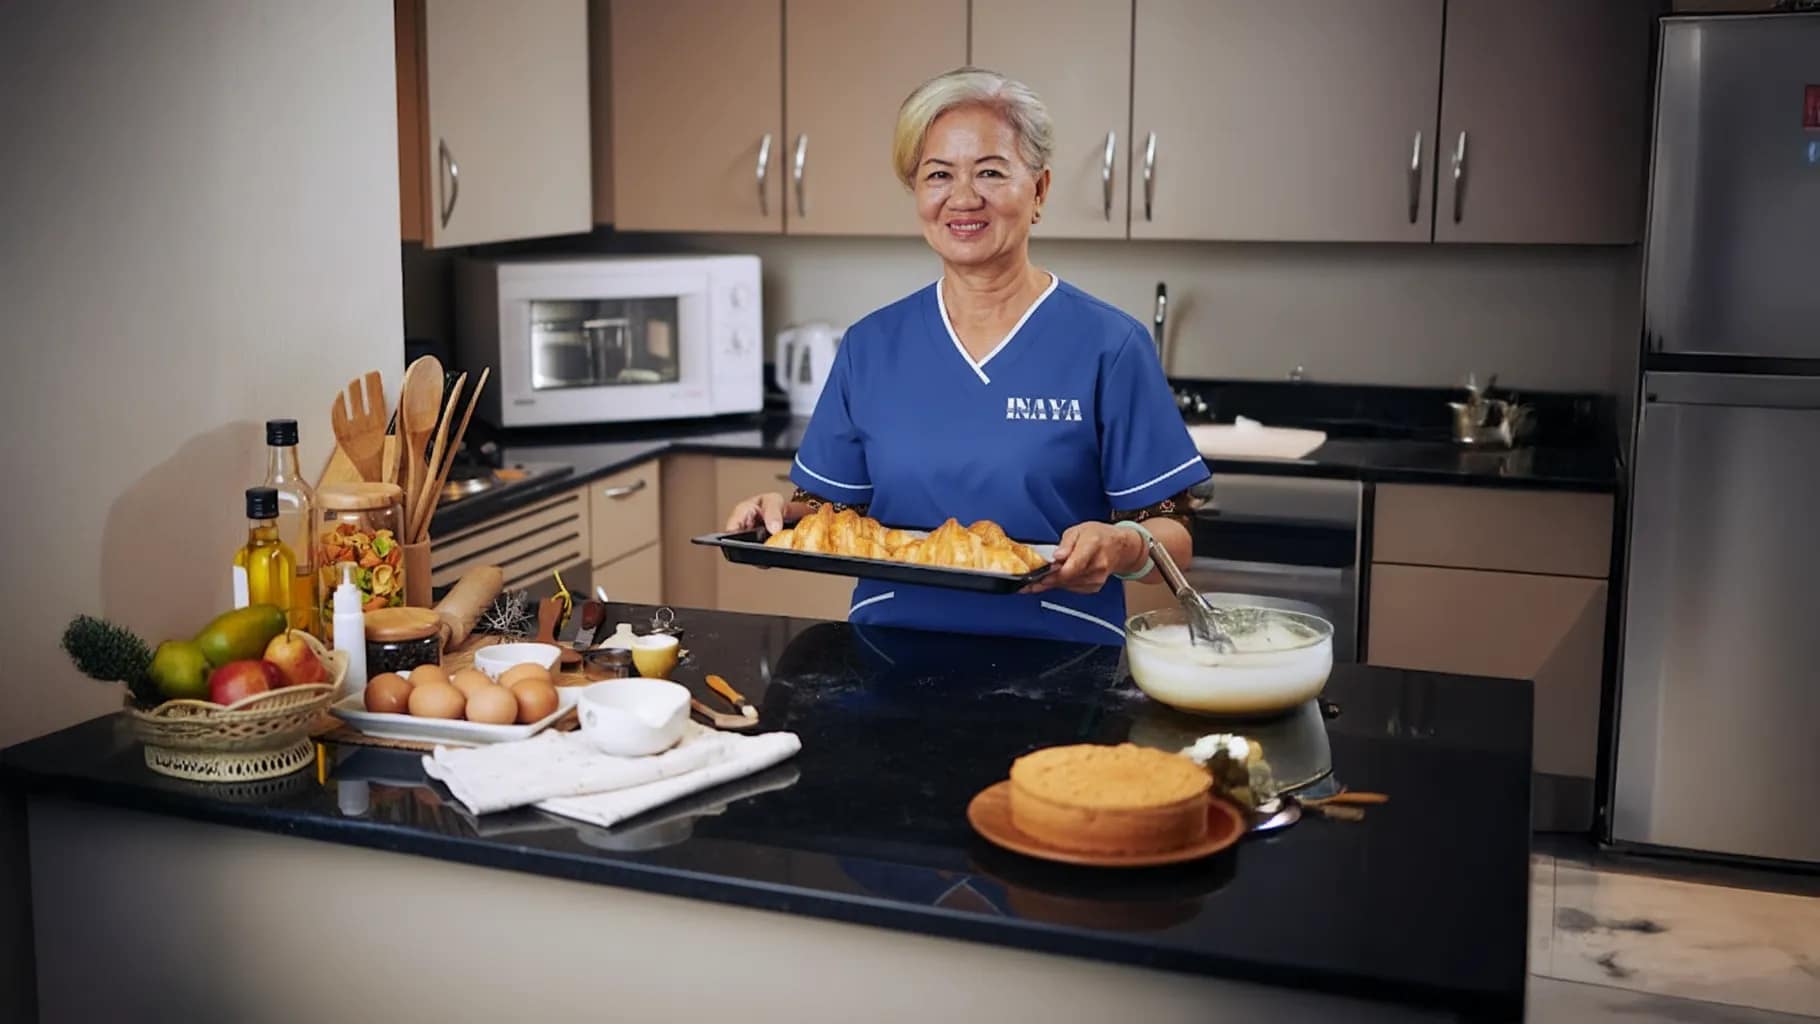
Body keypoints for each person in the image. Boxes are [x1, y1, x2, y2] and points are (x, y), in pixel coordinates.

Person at [725, 67, 1207, 645]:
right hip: (887, 652)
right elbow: (827, 513)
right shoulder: (870, 346)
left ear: (1040, 190)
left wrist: (1125, 545)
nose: (963, 197)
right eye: (938, 174)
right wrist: (775, 515)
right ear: (917, 193)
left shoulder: (1109, 345)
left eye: (990, 172)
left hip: (1063, 658)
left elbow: (1172, 533)